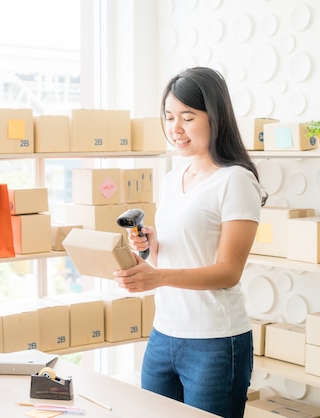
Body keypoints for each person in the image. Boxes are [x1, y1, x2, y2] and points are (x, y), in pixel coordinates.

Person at [113, 67, 266, 418]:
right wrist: (149, 246)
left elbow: (228, 272)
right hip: (163, 333)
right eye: (168, 117)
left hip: (214, 341)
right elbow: (182, 247)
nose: (175, 129)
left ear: (215, 117)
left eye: (187, 116)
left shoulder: (236, 181)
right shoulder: (172, 179)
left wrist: (159, 277)